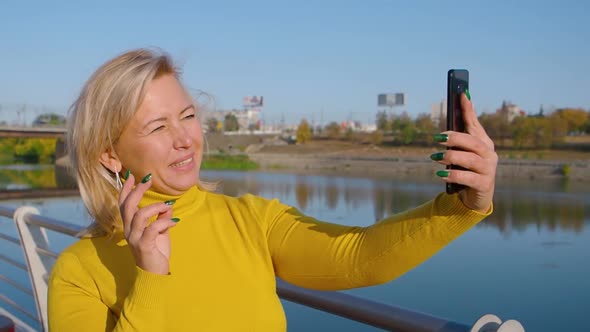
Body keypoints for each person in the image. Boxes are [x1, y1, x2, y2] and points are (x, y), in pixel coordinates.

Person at [48, 48, 497, 331]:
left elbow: (360, 257)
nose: (185, 138)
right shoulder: (79, 271)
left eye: (187, 116)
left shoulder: (251, 220)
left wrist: (462, 205)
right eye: (158, 126)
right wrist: (149, 276)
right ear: (110, 154)